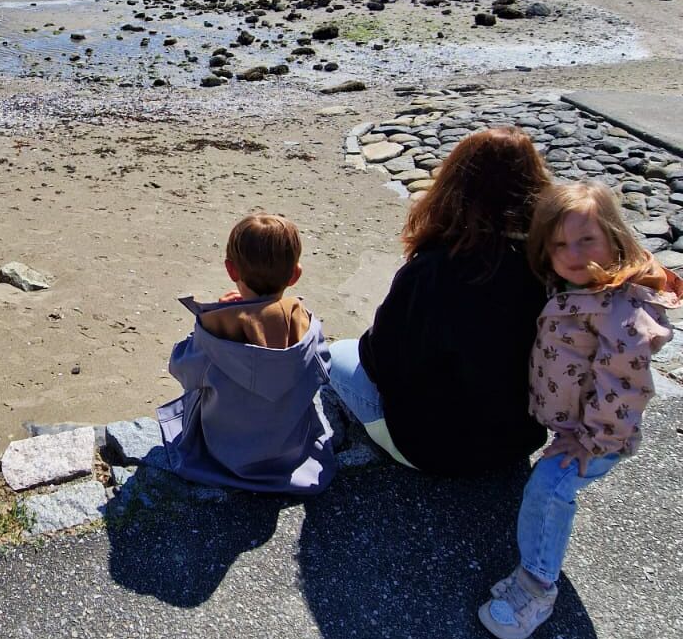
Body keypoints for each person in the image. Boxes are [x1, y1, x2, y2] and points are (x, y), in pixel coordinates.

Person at [478, 182, 682, 639]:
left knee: (549, 490)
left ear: (615, 239)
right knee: (546, 490)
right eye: (559, 245)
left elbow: (623, 388)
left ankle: (536, 586)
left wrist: (592, 442)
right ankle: (535, 568)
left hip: (599, 437)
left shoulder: (622, 314)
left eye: (586, 240)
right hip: (576, 424)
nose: (572, 254)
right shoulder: (575, 284)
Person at [327, 127, 551, 474]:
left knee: (336, 355)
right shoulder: (548, 266)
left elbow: (379, 360)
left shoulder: (433, 269)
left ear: (453, 187)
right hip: (518, 442)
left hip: (429, 449)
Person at [155, 213, 336, 494]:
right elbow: (323, 369)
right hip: (288, 452)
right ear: (295, 274)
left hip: (223, 454)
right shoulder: (308, 329)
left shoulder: (215, 335)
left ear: (231, 270)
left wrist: (213, 318)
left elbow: (181, 367)